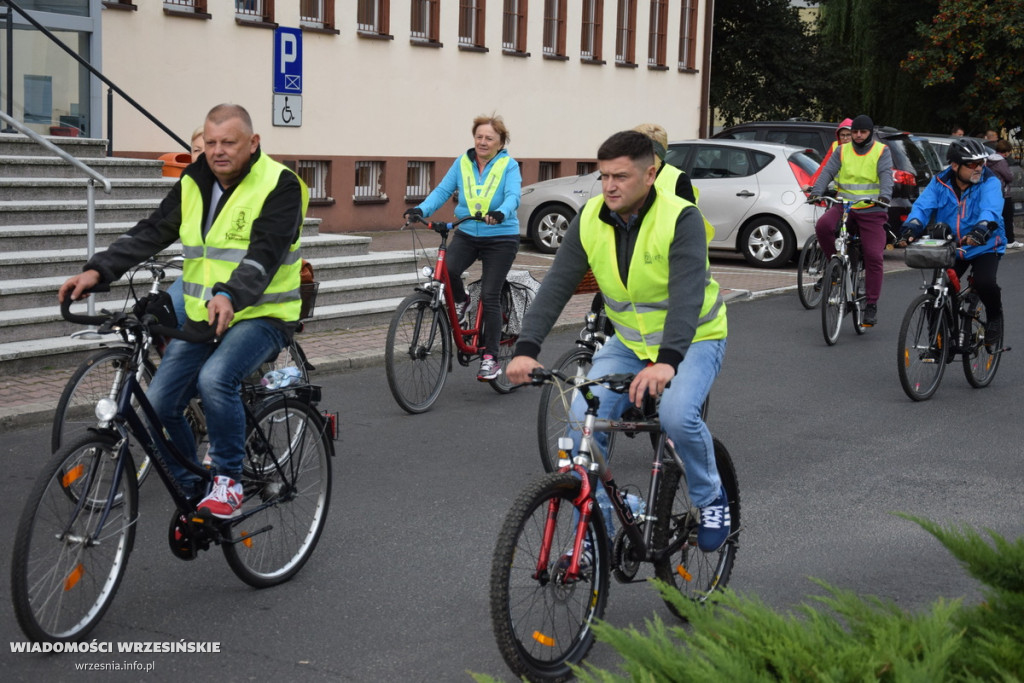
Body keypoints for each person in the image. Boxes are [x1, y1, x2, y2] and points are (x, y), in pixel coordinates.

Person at [58, 103, 309, 519]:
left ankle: (227, 480)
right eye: (210, 143)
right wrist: (97, 271)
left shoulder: (281, 185)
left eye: (228, 142)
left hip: (263, 315)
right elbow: (152, 230)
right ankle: (192, 487)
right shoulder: (195, 181)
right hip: (203, 315)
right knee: (158, 406)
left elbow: (265, 253)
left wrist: (231, 294)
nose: (217, 151)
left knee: (215, 379)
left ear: (253, 143)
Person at [506, 130, 730, 553]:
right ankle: (595, 532)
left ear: (650, 174)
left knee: (678, 416)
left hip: (695, 338)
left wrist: (666, 361)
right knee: (579, 424)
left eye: (621, 176)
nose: (609, 186)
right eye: (604, 175)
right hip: (628, 342)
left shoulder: (680, 219)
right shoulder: (590, 218)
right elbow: (556, 286)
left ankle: (710, 497)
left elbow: (686, 297)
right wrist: (526, 348)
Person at [404, 114, 521, 381]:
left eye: (489, 138)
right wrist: (421, 209)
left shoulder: (509, 166)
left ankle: (490, 358)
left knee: (490, 295)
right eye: (479, 136)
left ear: (500, 142)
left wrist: (501, 212)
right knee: (448, 270)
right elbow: (443, 191)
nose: (482, 142)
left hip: (501, 237)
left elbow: (514, 195)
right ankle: (461, 301)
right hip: (468, 233)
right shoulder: (463, 162)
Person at [898, 137, 1005, 347]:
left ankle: (994, 318)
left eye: (982, 163)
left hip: (984, 244)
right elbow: (922, 207)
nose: (979, 168)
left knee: (985, 282)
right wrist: (911, 227)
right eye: (972, 164)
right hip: (952, 247)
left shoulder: (989, 181)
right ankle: (939, 342)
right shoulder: (939, 183)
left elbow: (990, 209)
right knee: (936, 291)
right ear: (955, 166)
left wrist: (982, 228)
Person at [808, 114, 893, 327]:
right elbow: (828, 171)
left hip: (872, 210)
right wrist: (817, 191)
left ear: (870, 133)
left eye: (862, 132)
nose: (857, 135)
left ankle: (871, 304)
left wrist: (884, 196)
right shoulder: (842, 149)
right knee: (823, 226)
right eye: (854, 131)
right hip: (844, 206)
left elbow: (885, 176)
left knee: (874, 255)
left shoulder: (881, 151)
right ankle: (835, 266)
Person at [803, 118, 853, 192]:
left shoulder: (860, 149)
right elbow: (824, 167)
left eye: (848, 135)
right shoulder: (835, 146)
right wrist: (811, 184)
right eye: (842, 135)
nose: (845, 138)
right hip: (839, 192)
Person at [993, 139, 1022, 248]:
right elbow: (1009, 176)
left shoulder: (990, 160)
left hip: (994, 192)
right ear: (1006, 151)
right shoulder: (1001, 161)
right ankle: (1010, 240)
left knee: (997, 217)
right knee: (1007, 217)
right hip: (1004, 192)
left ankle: (998, 238)